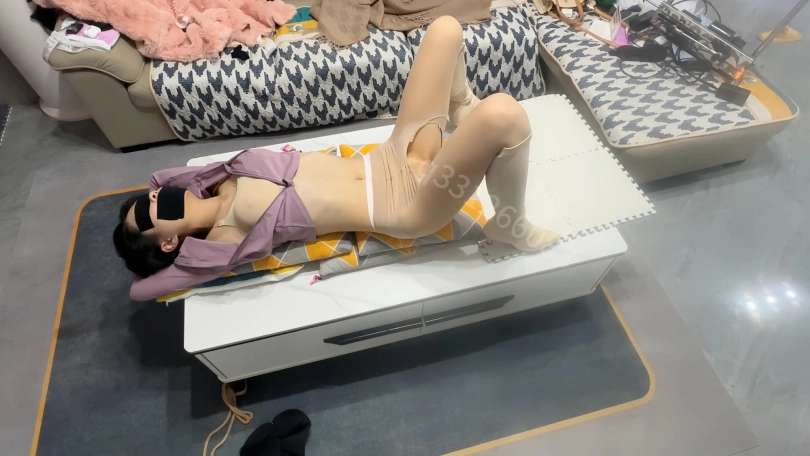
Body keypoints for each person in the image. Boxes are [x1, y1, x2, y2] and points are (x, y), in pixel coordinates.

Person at [114, 17, 560, 301]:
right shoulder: (224, 239)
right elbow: (142, 290)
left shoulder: (215, 177)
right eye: (148, 215)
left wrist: (157, 199)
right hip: (408, 204)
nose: (154, 199)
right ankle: (510, 224)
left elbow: (160, 177)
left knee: (445, 30)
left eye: (148, 199)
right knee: (503, 114)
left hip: (392, 156)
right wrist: (161, 247)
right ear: (168, 244)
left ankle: (459, 103)